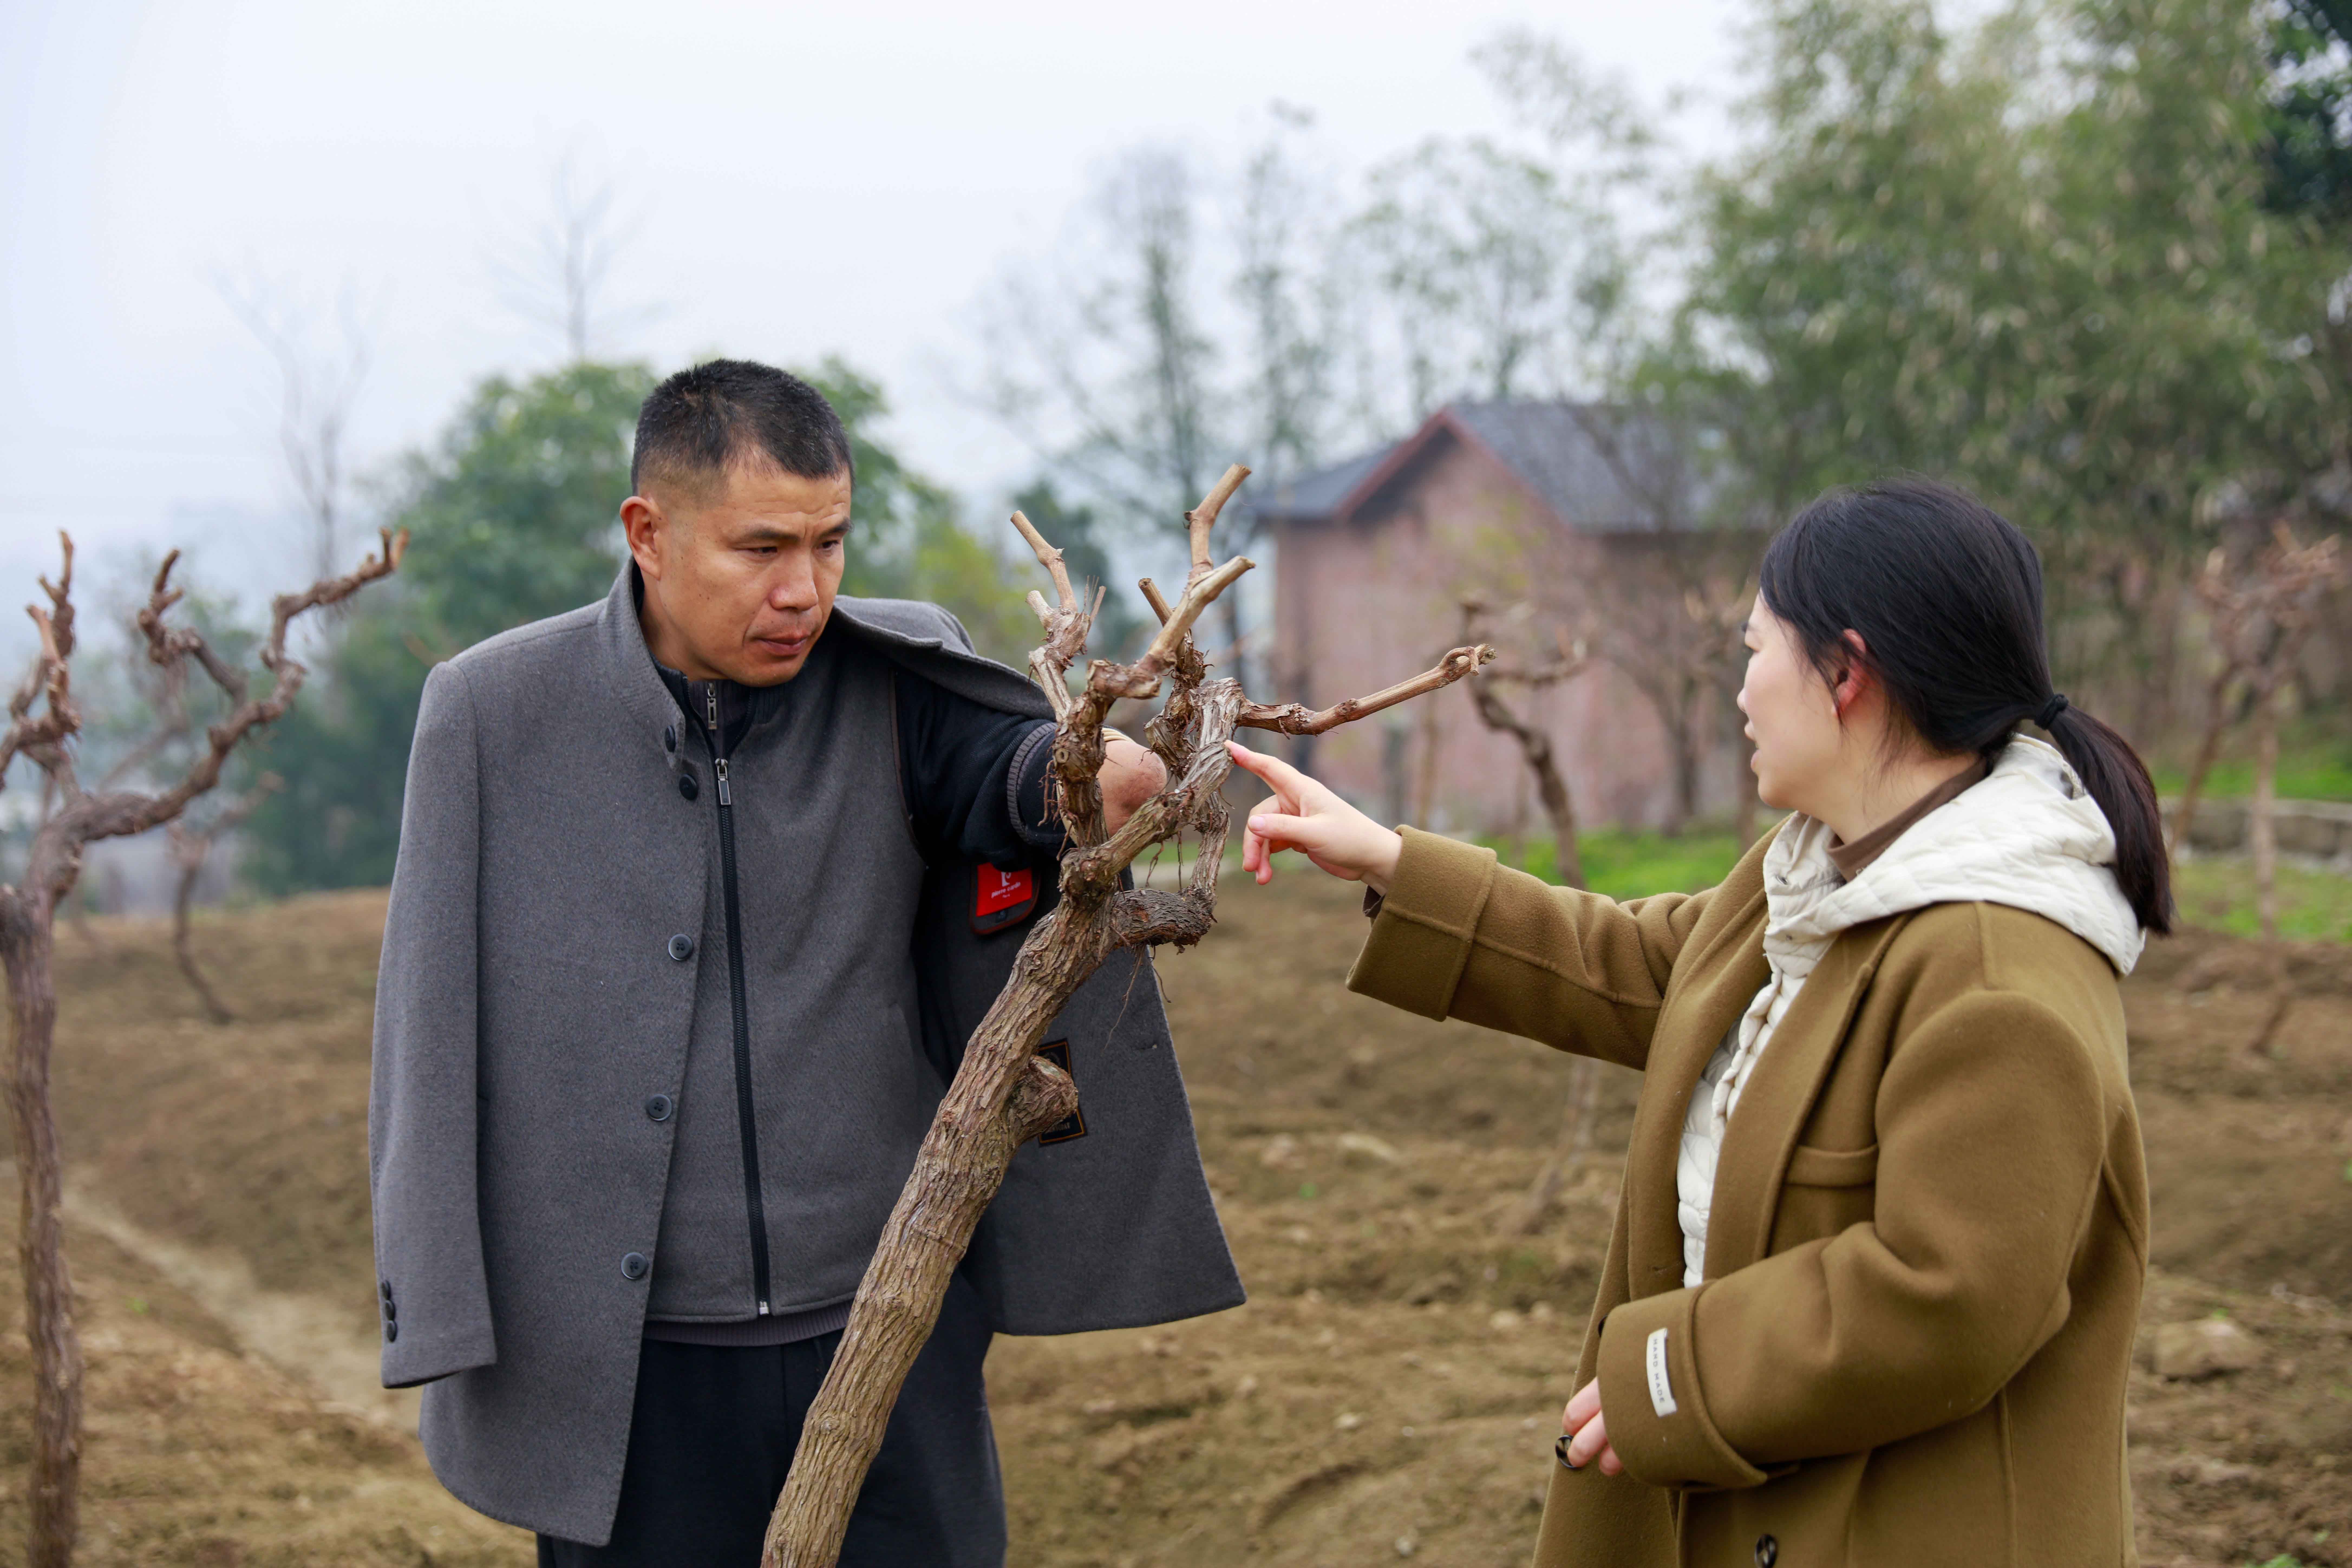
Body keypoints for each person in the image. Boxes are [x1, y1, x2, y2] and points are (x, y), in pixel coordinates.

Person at [370, 359, 1243, 1566]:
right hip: (630, 1366)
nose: (805, 589)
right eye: (762, 547)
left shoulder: (893, 679)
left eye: (831, 542)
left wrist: (1090, 776)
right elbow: (428, 1022)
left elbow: (1004, 769)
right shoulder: (494, 714)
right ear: (649, 533)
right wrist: (439, 1311)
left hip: (890, 1320)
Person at [1231, 478, 2168, 1567]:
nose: (1740, 689)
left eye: (1754, 646)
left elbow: (1949, 1294)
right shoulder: (1825, 871)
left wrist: (1673, 1376)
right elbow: (1661, 967)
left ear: (1846, 671)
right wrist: (1395, 862)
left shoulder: (1998, 965)